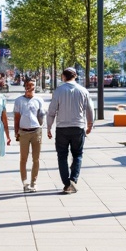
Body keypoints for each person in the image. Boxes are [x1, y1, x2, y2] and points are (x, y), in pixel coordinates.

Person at [46, 66, 93, 194]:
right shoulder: (83, 91)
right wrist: (90, 124)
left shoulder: (58, 91)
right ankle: (73, 178)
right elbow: (90, 109)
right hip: (78, 127)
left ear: (63, 76)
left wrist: (49, 127)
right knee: (78, 154)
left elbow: (51, 111)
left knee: (62, 156)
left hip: (62, 128)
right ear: (75, 76)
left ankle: (66, 184)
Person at [12, 76, 46, 193]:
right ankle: (25, 182)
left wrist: (41, 127)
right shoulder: (19, 101)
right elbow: (16, 118)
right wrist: (16, 132)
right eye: (27, 85)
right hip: (24, 132)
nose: (29, 87)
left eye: (32, 85)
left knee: (36, 159)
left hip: (36, 131)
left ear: (35, 86)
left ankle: (34, 182)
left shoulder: (39, 100)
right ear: (24, 86)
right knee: (23, 158)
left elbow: (41, 116)